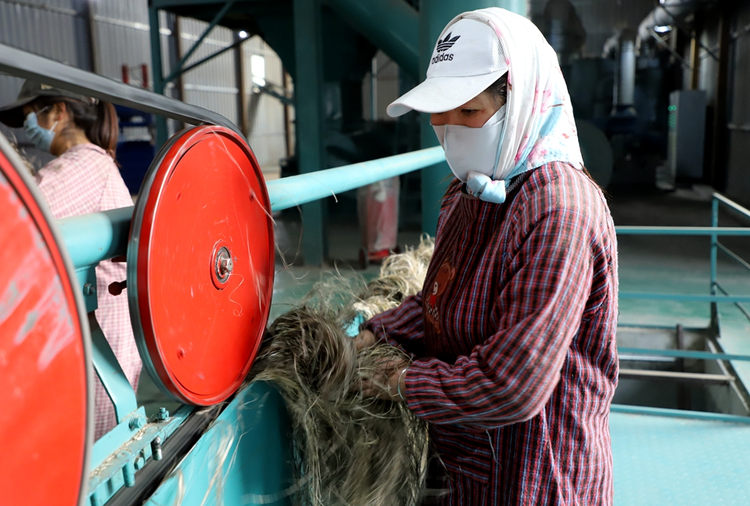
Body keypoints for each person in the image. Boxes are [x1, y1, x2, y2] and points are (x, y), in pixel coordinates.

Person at [356, 8, 618, 505]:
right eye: (440, 111)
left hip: (538, 478)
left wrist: (399, 380)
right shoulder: (470, 193)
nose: (449, 129)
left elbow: (512, 384)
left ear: (522, 103)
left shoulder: (559, 213)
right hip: (475, 470)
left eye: (469, 112)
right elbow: (442, 297)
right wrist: (374, 331)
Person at [0, 81, 142, 440]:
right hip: (101, 349)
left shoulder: (83, 166)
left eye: (31, 115)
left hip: (99, 357)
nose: (28, 127)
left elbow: (16, 218)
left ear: (59, 113)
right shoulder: (91, 164)